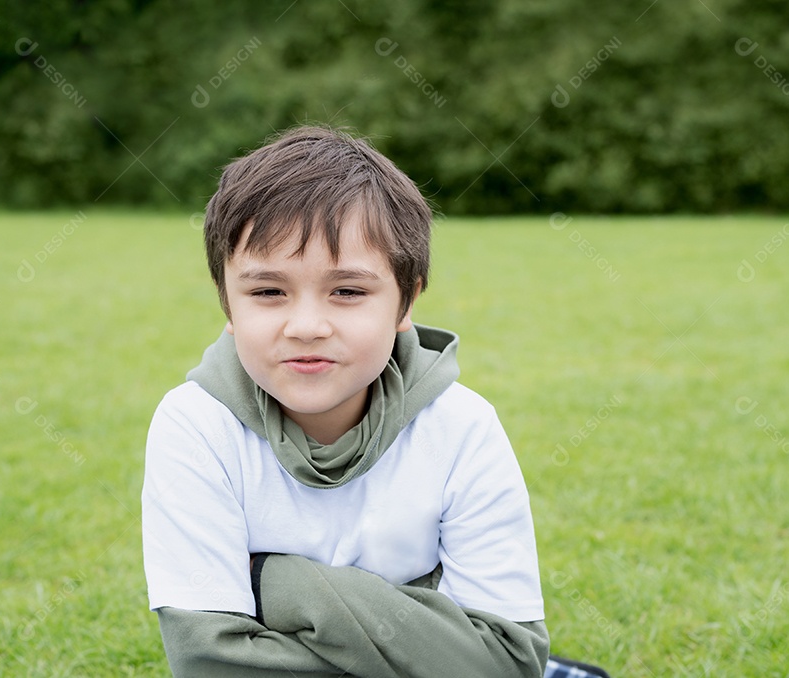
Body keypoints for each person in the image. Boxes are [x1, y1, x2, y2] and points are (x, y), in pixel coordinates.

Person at [141, 126, 548, 677]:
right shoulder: (195, 426)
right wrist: (428, 634)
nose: (307, 326)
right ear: (228, 304)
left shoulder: (462, 426)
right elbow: (210, 663)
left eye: (348, 291)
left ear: (406, 302)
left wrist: (274, 583)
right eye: (268, 292)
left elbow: (507, 662)